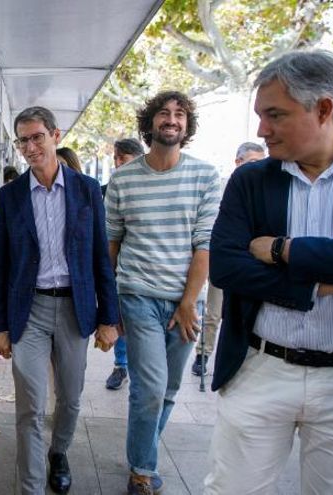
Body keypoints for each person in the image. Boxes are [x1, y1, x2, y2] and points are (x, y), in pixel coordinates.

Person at [205, 49, 333, 495]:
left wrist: (283, 250)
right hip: (260, 369)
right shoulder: (250, 181)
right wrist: (318, 286)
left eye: (274, 115)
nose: (261, 130)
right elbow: (227, 267)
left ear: (323, 109)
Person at [0, 106, 119, 494]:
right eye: (23, 140)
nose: (30, 147)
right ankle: (30, 487)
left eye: (37, 137)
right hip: (28, 311)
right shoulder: (8, 197)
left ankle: (58, 451)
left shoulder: (87, 189)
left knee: (71, 397)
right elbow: (1, 264)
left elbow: (100, 256)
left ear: (55, 135)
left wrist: (109, 318)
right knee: (30, 403)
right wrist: (0, 326)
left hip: (75, 308)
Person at [104, 90, 220, 495]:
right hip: (137, 296)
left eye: (180, 115)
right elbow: (112, 245)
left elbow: (204, 244)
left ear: (187, 126)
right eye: (164, 114)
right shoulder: (122, 178)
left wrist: (189, 303)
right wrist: (110, 304)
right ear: (150, 122)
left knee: (169, 391)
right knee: (150, 388)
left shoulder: (205, 177)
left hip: (186, 301)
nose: (172, 120)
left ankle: (143, 452)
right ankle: (142, 470)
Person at [191, 141, 265, 377]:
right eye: (253, 162)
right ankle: (203, 354)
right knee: (213, 311)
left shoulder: (262, 192)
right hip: (221, 261)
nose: (257, 168)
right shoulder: (221, 188)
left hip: (252, 264)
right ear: (238, 162)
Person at [104, 137, 145, 390]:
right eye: (116, 159)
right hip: (118, 270)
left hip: (144, 275)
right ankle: (121, 365)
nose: (118, 163)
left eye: (123, 158)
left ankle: (136, 367)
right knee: (119, 317)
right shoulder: (108, 189)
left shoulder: (149, 189)